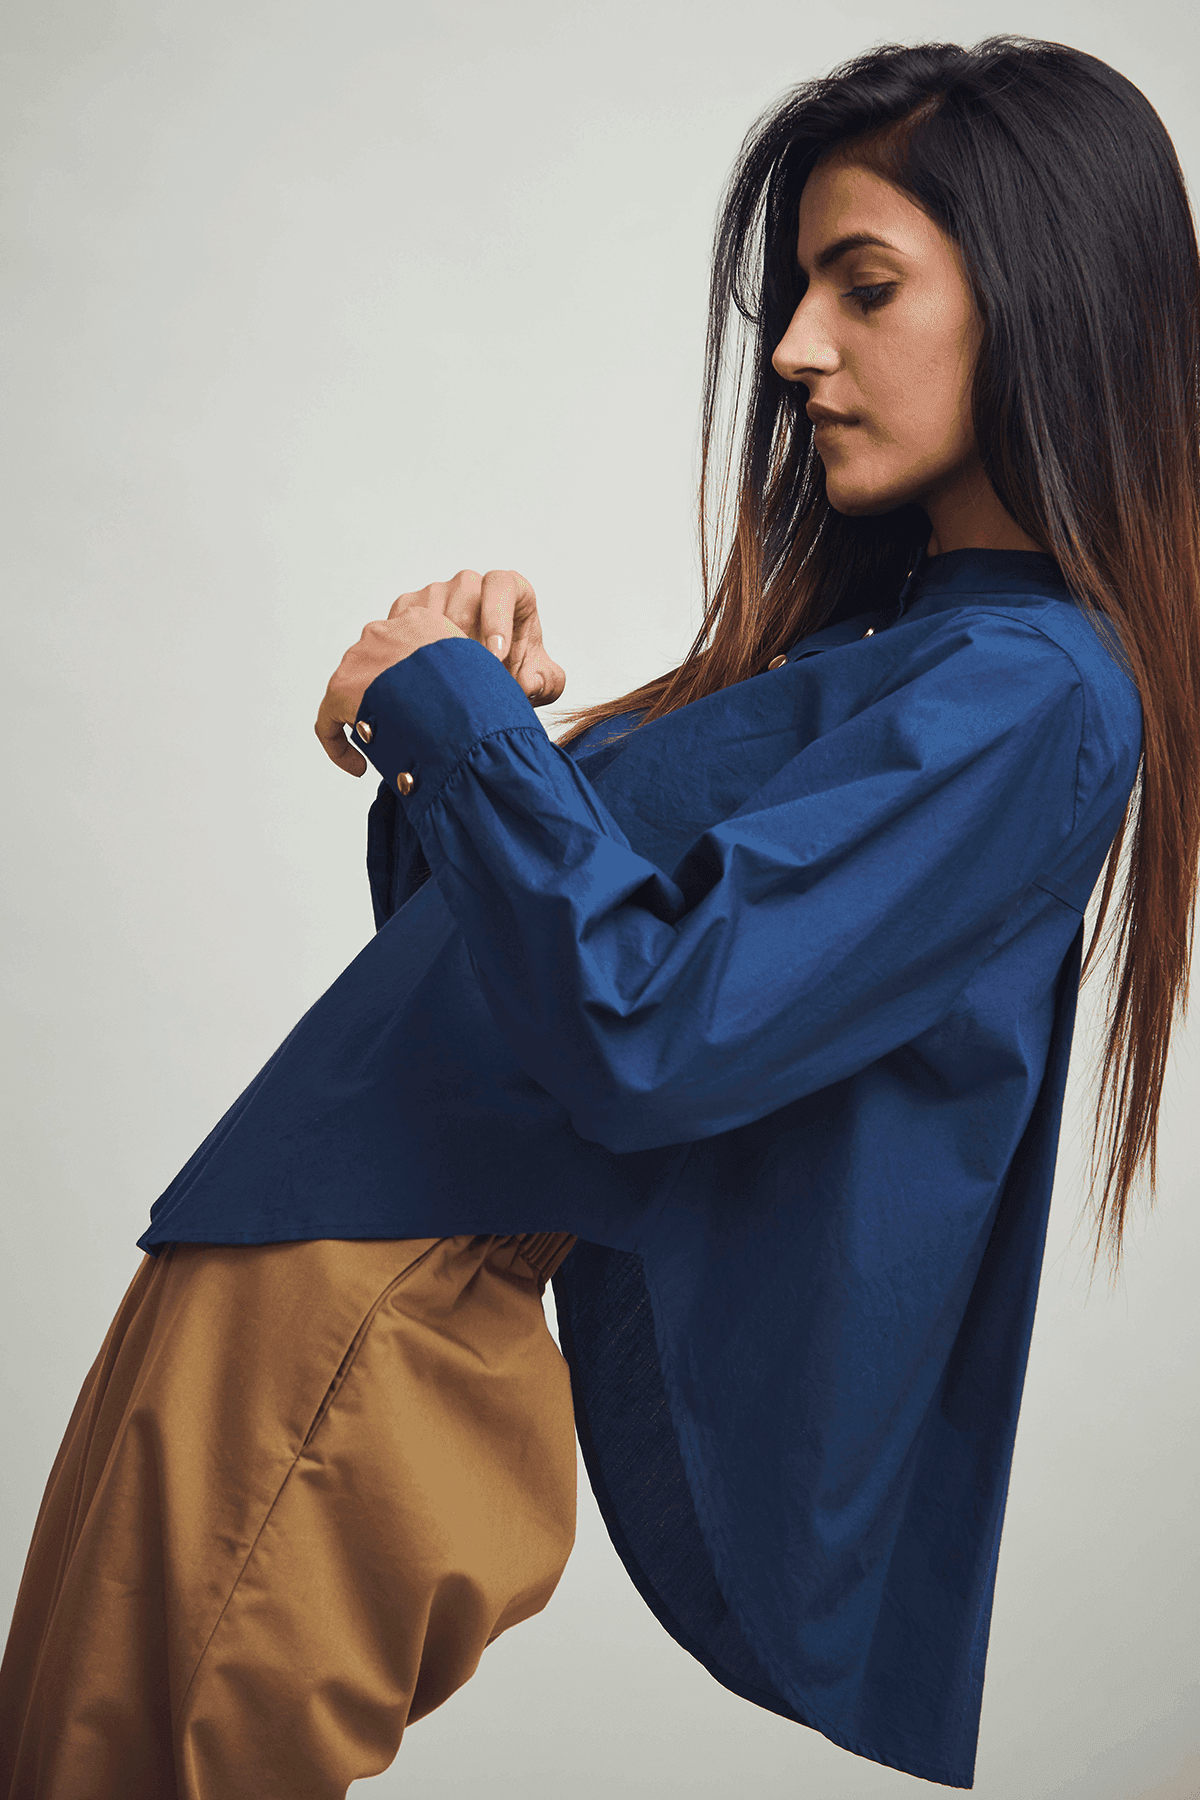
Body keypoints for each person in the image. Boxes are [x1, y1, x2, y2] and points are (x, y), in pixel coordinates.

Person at [2, 30, 1197, 1799]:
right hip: (290, 1274)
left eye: (865, 287)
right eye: (800, 293)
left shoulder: (1033, 691)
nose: (794, 350)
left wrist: (455, 721)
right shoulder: (903, 650)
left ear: (1050, 301)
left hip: (361, 1307)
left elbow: (653, 1033)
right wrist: (480, 735)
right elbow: (494, 983)